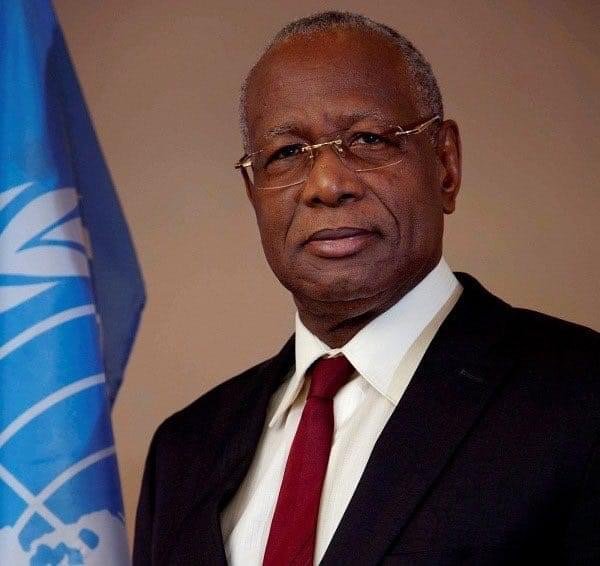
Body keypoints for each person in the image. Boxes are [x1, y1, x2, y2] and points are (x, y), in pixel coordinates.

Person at [133, 11, 599, 566]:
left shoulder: (580, 397)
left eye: (367, 139)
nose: (327, 185)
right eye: (287, 153)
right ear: (254, 193)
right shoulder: (183, 451)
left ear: (445, 165)